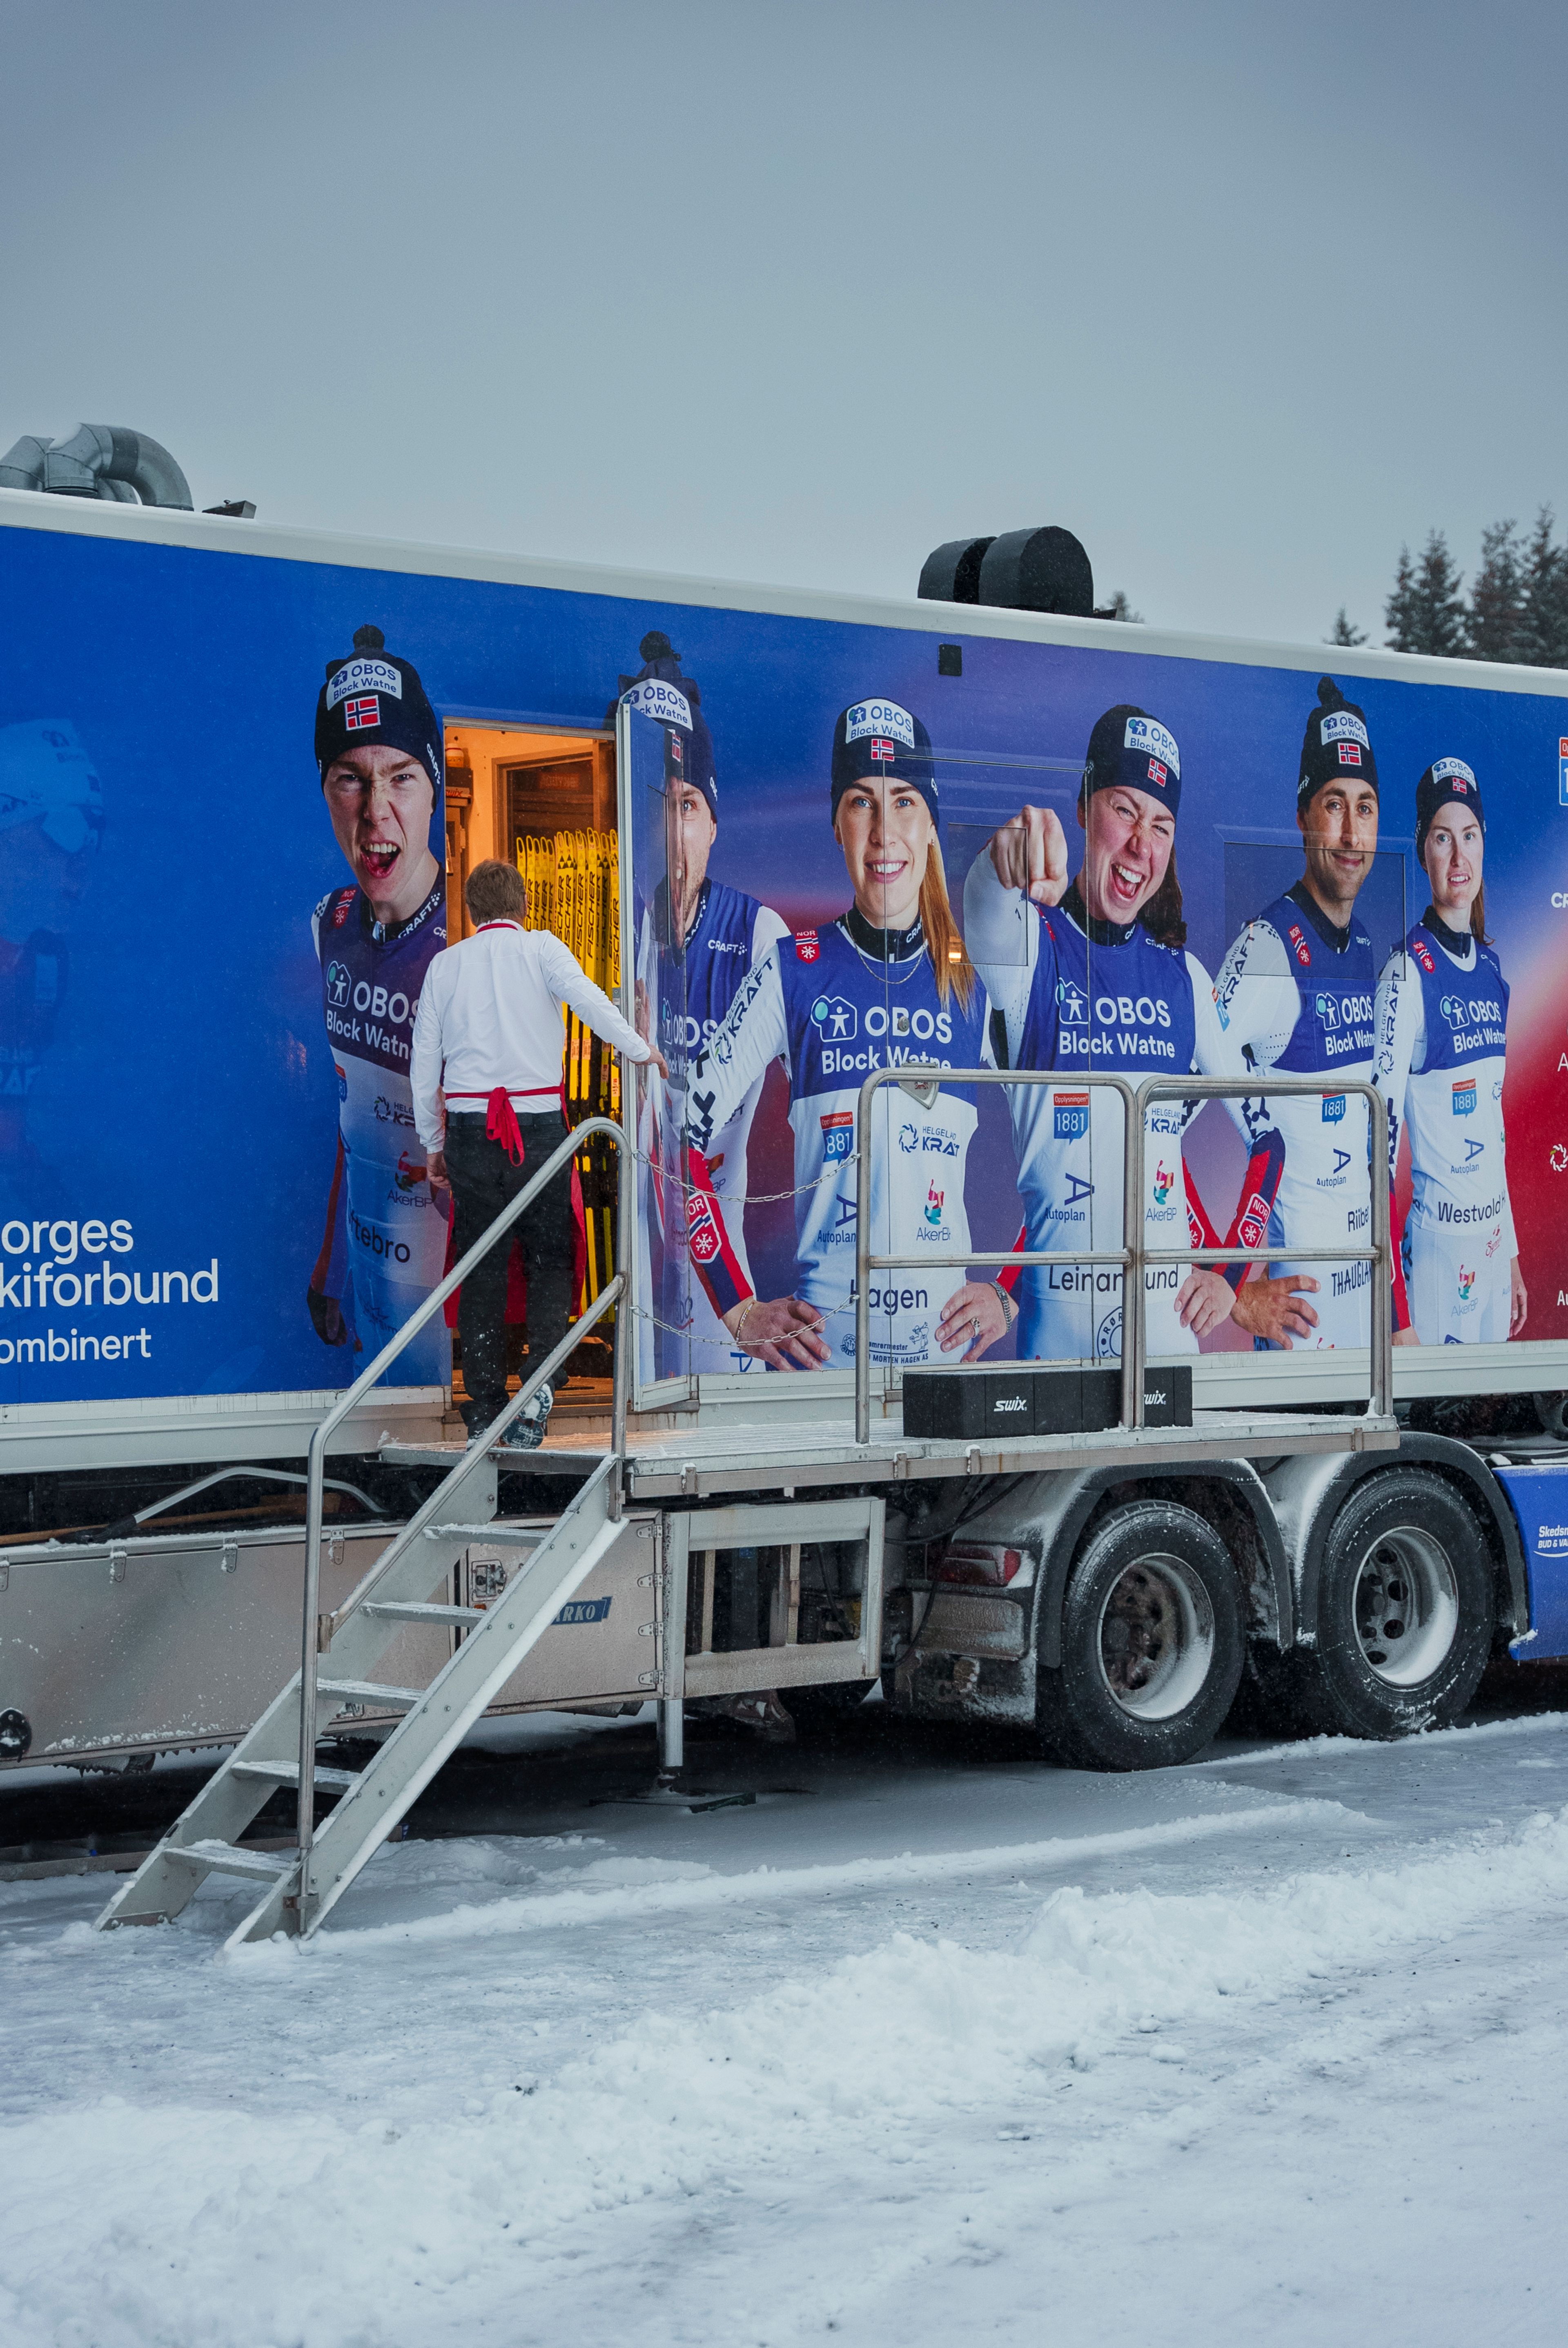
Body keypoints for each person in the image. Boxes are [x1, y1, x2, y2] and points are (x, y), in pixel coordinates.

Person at [962, 703, 1296, 1363]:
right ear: (1084, 808)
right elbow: (985, 906)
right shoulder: (1032, 949)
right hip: (1055, 1349)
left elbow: (1269, 1139)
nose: (1143, 844)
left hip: (1165, 1347)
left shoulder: (1184, 978)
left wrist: (1228, 1276)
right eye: (1125, 810)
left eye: (1161, 825)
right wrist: (1007, 855)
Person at [683, 695, 1005, 1372]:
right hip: (825, 1372)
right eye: (862, 802)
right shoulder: (794, 967)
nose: (884, 832)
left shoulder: (972, 983)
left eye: (904, 802)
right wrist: (737, 1307)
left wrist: (1009, 1292)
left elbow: (1087, 1134)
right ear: (837, 823)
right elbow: (678, 1135)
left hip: (942, 1374)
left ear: (931, 826)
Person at [411, 858, 665, 1446]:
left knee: (481, 1265)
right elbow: (593, 1004)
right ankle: (540, 1378)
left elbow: (424, 1067)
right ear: (524, 906)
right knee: (550, 1258)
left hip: (471, 1130)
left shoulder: (445, 966)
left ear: (471, 911)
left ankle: (484, 1406)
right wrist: (640, 1050)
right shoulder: (543, 949)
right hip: (541, 1129)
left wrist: (434, 1144)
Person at [613, 633, 788, 1380]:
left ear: (713, 823)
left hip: (719, 1256)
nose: (671, 829)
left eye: (687, 806)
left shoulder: (758, 933)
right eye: (658, 805)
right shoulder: (622, 932)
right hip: (637, 1253)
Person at [1211, 677, 1383, 1351]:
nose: (1351, 832)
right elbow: (1171, 1100)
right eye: (1334, 805)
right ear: (1303, 817)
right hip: (1301, 1311)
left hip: (1361, 1287)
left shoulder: (1362, 942)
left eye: (1365, 807)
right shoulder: (1268, 945)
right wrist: (1231, 1286)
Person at [308, 625, 450, 1369]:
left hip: (452, 1295)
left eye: (401, 777)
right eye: (350, 780)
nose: (376, 811)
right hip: (369, 1281)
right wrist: (332, 1270)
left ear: (435, 790)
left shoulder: (473, 942)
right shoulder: (330, 923)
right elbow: (351, 1117)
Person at [1375, 758, 1523, 1345]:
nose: (1459, 856)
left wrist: (1510, 1254)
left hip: (1493, 1249)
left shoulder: (1492, 970)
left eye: (1470, 836)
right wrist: (1397, 1316)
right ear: (1423, 851)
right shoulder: (1404, 973)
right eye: (1443, 838)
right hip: (1438, 1256)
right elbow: (1377, 1152)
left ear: (1484, 844)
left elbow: (1494, 1128)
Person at [0, 720, 101, 1210]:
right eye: (67, 831)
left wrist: (68, 1226)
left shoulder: (47, 962)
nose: (82, 864)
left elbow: (9, 1137)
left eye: (95, 837)